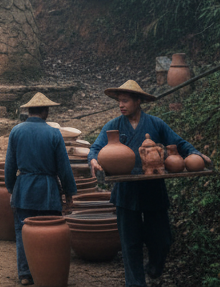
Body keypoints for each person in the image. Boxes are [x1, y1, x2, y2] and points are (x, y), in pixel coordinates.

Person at [87, 80, 209, 287]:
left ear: (138, 101)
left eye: (125, 101)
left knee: (162, 239)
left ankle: (154, 266)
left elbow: (179, 143)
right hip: (126, 190)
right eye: (119, 101)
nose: (121, 105)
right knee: (130, 243)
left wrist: (195, 154)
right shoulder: (114, 126)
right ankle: (135, 283)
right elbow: (96, 148)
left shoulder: (155, 123)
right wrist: (93, 159)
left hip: (153, 188)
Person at [5, 92, 77, 286]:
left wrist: (12, 188)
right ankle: (48, 271)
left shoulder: (16, 131)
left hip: (24, 188)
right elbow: (63, 167)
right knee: (49, 232)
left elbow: (10, 166)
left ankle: (25, 273)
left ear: (29, 111)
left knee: (23, 231)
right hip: (48, 190)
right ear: (45, 111)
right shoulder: (54, 133)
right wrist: (68, 192)